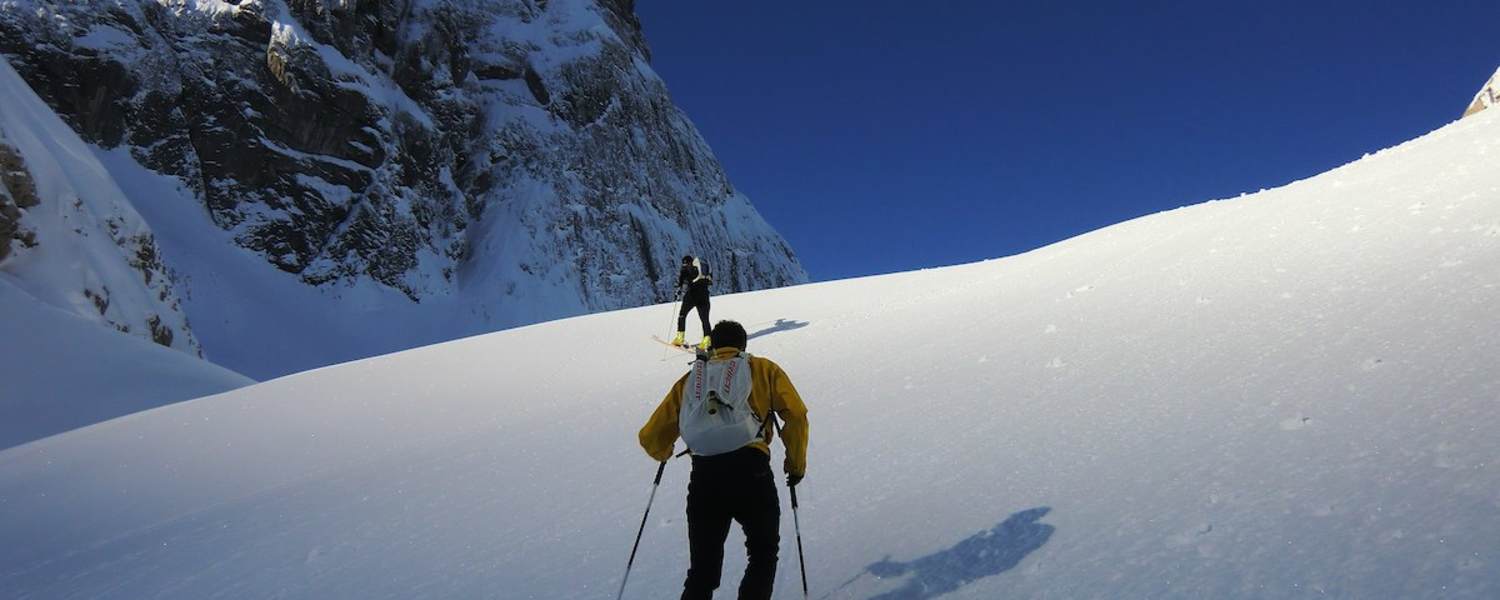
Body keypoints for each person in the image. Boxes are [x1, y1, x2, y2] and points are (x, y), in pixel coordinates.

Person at [638, 320, 810, 600]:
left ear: (712, 347)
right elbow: (797, 415)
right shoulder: (762, 369)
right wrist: (795, 465)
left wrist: (664, 451)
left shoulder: (692, 380)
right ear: (743, 345)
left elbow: (651, 436)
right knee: (763, 554)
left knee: (702, 571)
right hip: (751, 470)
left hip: (705, 477)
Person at [673, 254, 714, 350]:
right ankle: (707, 340)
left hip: (692, 296)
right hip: (704, 295)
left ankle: (680, 338)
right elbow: (710, 282)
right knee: (705, 319)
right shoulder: (703, 271)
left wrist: (679, 289)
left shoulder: (686, 269)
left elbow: (682, 281)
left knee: (682, 315)